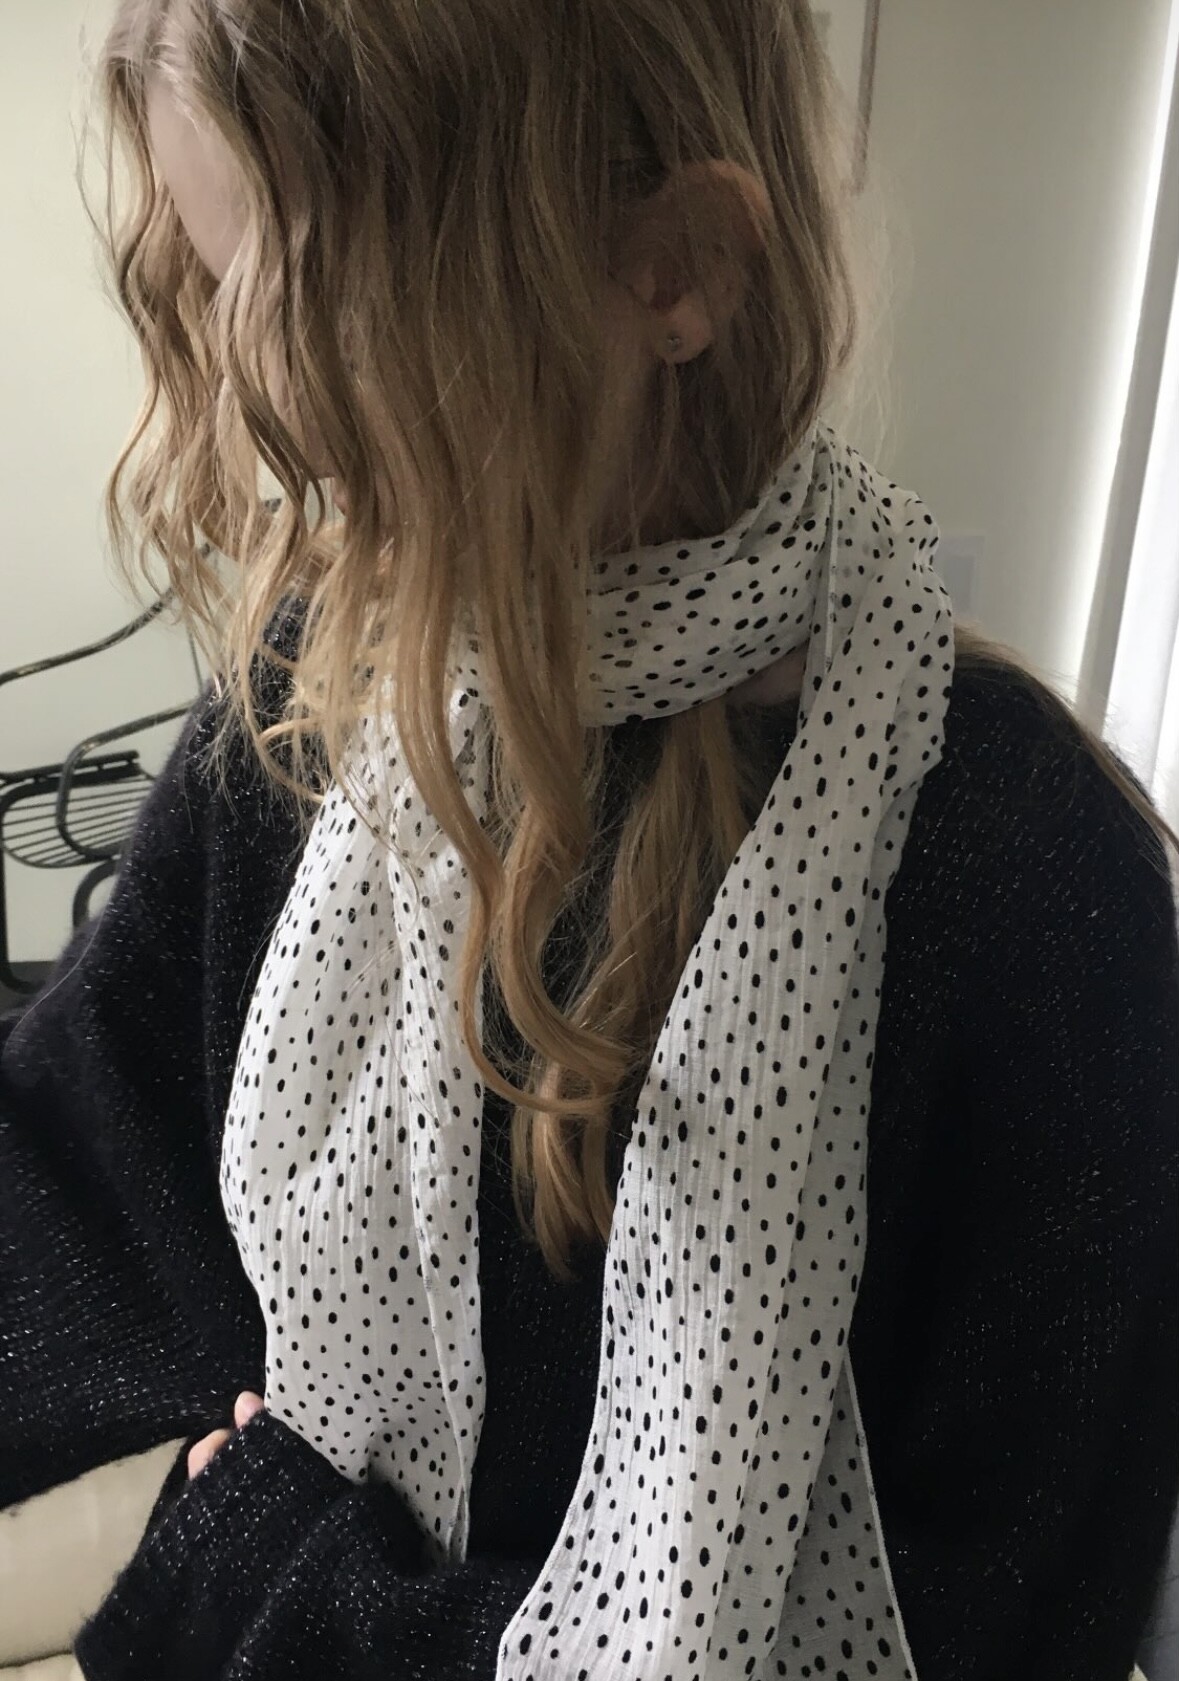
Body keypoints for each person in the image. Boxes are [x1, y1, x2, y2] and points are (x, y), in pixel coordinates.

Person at [0, 2, 1176, 1678]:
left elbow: (1008, 1620)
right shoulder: (314, 702)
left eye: (314, 292)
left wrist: (266, 1584)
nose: (258, 398)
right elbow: (66, 1181)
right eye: (215, 270)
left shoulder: (1037, 886)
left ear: (674, 267)